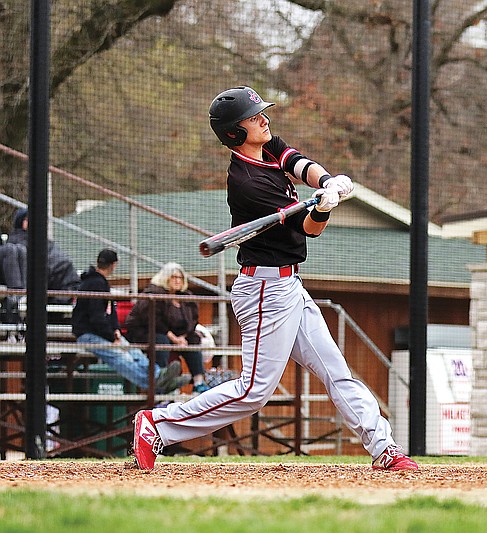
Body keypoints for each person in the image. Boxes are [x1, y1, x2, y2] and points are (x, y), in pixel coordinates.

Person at [132, 85, 418, 471]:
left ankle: (384, 449)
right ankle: (158, 424)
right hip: (264, 287)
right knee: (253, 391)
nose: (264, 120)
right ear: (235, 132)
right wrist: (324, 208)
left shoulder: (266, 147)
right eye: (254, 118)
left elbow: (295, 160)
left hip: (288, 285)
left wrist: (325, 182)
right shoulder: (247, 183)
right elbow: (309, 228)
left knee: (336, 371)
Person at [72, 248, 182, 393]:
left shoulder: (99, 283)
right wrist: (111, 336)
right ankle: (155, 385)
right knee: (120, 356)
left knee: (133, 351)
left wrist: (116, 331)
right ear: (114, 265)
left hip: (101, 333)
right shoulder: (95, 283)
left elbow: (109, 313)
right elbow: (96, 317)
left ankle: (157, 375)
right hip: (88, 335)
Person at [124, 262, 210, 394]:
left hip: (177, 335)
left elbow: (192, 320)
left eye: (180, 278)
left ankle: (198, 382)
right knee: (160, 340)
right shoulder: (154, 293)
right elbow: (153, 321)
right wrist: (174, 339)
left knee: (194, 339)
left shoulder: (186, 297)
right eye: (173, 277)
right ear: (165, 278)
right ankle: (163, 379)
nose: (177, 280)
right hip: (148, 331)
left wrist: (183, 337)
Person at [7, 208, 80, 301]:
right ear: (21, 222)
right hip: (42, 275)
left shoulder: (42, 239)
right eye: (27, 219)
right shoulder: (16, 240)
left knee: (65, 266)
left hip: (58, 273)